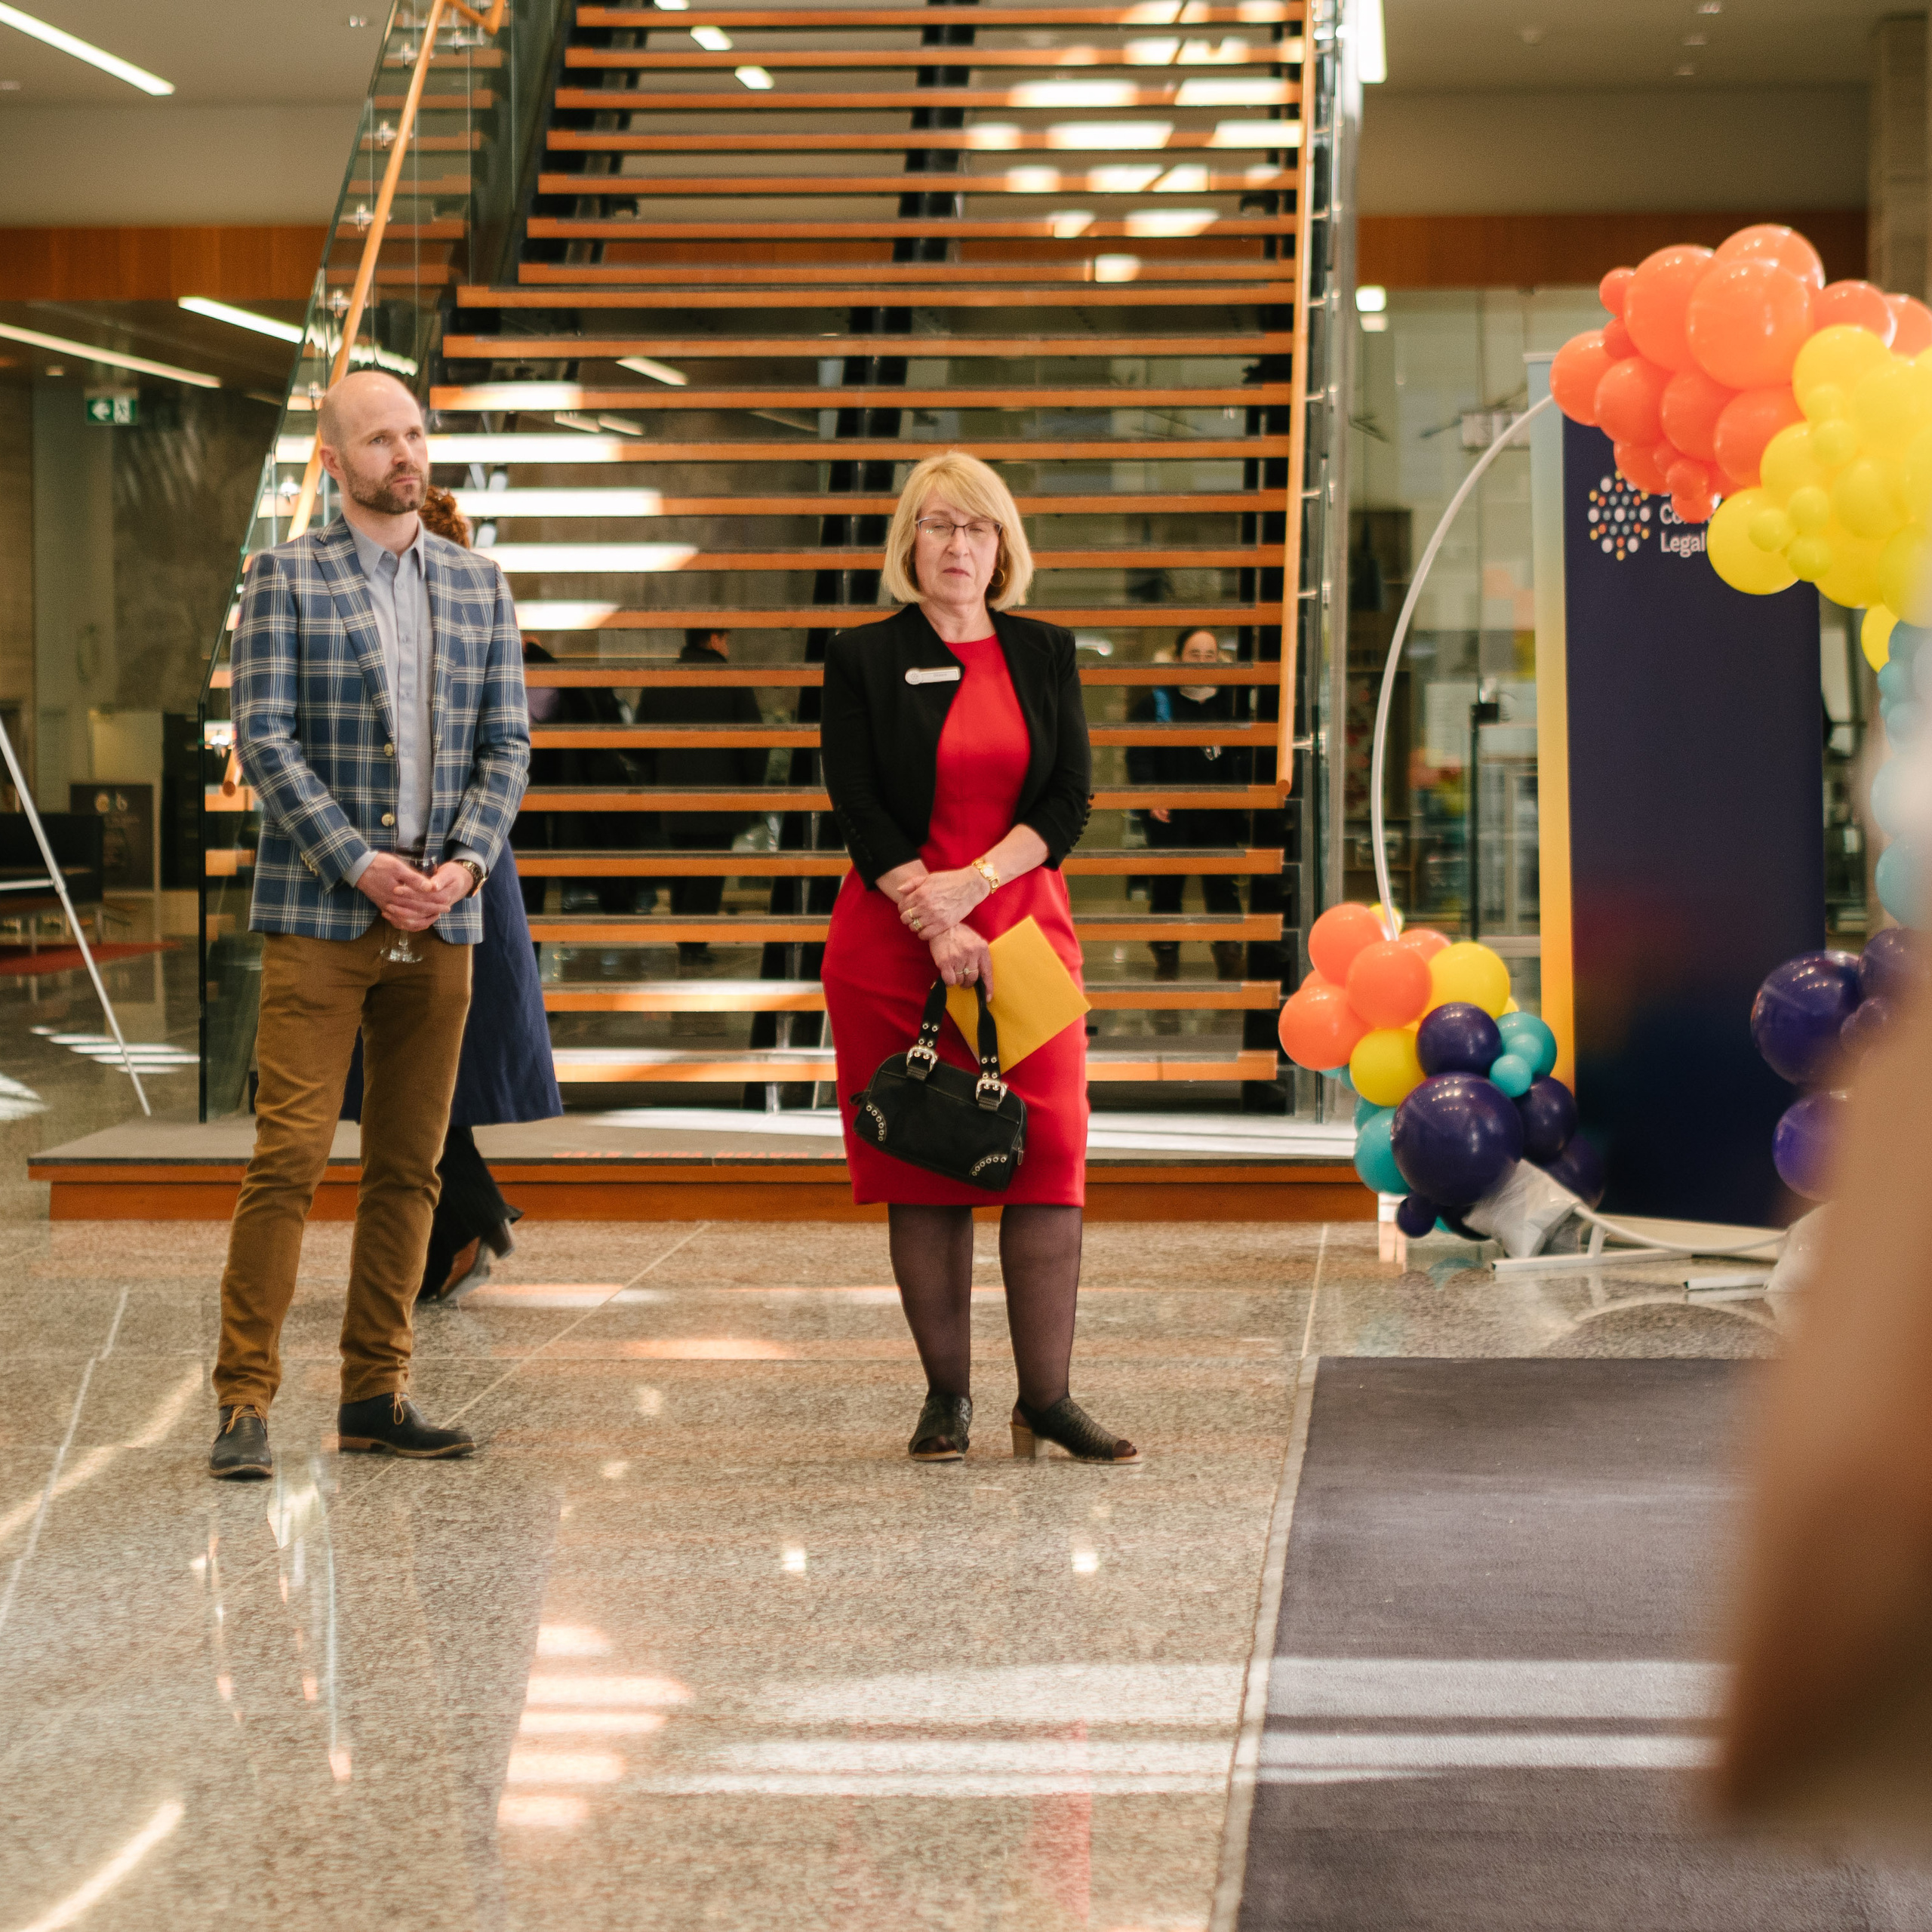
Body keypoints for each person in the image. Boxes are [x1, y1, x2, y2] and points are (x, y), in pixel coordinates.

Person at [209, 369, 530, 1480]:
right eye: (381, 440)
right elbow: (266, 737)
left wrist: (464, 864)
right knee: (288, 1158)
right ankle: (244, 1399)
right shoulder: (284, 578)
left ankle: (374, 1395)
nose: (407, 455)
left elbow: (508, 748)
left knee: (409, 1167)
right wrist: (364, 865)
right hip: (319, 916)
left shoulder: (480, 586)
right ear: (334, 463)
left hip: (445, 921)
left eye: (414, 434)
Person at [820, 450, 1137, 1466]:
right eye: (940, 526)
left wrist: (974, 888)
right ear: (908, 541)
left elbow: (1068, 801)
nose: (959, 546)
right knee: (926, 1169)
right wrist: (933, 912)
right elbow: (860, 804)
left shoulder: (1045, 651)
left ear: (1005, 547)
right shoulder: (861, 655)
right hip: (892, 940)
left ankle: (1047, 1398)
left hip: (1022, 938)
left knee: (1047, 1165)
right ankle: (947, 1399)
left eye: (979, 528)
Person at [341, 485, 562, 1306]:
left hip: (446, 870)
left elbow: (493, 746)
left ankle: (468, 1220)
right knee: (405, 1072)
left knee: (410, 1069)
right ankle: (466, 1221)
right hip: (431, 868)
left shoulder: (460, 616)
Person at [1126, 627, 1253, 983]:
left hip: (1219, 812)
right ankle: (1167, 958)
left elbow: (1246, 754)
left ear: (1219, 660)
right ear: (1178, 657)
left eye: (1208, 655)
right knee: (1167, 888)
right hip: (1170, 814)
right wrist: (1150, 794)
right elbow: (1139, 755)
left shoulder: (1231, 702)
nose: (1201, 662)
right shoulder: (1156, 703)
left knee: (1222, 888)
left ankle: (1229, 957)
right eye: (1194, 655)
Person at [632, 626, 767, 961]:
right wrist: (752, 791)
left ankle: (685, 941)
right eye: (726, 639)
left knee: (683, 869)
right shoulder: (732, 681)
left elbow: (638, 746)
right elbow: (755, 744)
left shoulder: (661, 681)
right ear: (715, 639)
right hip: (722, 798)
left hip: (673, 797)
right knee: (708, 873)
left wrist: (657, 779)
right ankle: (694, 946)